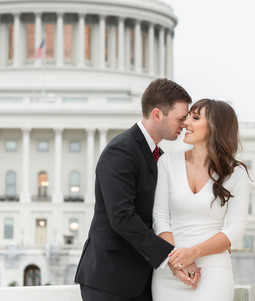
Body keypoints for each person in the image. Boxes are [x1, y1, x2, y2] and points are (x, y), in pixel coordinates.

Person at [75, 78, 197, 301]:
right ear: (157, 114)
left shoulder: (158, 155)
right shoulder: (121, 150)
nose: (184, 124)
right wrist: (171, 257)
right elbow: (122, 217)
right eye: (180, 118)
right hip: (110, 280)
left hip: (140, 280)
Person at [151, 99, 250, 300]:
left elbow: (235, 228)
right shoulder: (167, 161)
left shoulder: (236, 174)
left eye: (195, 118)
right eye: (188, 116)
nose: (186, 123)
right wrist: (177, 261)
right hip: (170, 270)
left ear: (216, 127)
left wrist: (193, 253)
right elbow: (160, 218)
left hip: (213, 271)